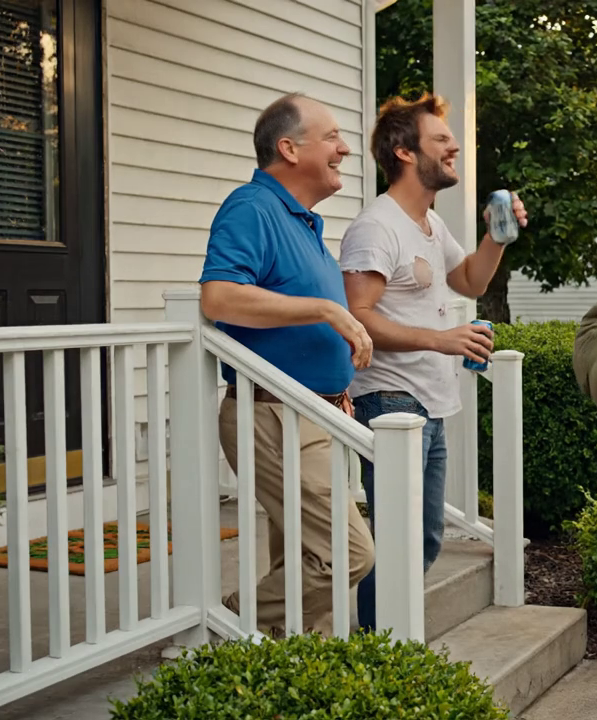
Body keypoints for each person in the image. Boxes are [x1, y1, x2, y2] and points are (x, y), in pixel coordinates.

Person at [339, 92, 527, 632]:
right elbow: (360, 317)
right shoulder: (377, 227)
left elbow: (468, 280)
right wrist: (440, 339)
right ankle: (381, 645)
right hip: (389, 400)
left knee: (421, 537)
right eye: (441, 139)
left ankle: (382, 633)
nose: (454, 148)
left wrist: (496, 238)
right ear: (403, 151)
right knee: (399, 536)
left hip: (428, 401)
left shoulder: (427, 223)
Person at [199, 92, 376, 637]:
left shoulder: (301, 221)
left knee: (301, 559)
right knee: (346, 555)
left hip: (311, 418)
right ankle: (229, 617)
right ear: (288, 148)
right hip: (274, 418)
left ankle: (280, 666)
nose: (345, 149)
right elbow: (219, 298)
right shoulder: (252, 208)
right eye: (332, 138)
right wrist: (327, 309)